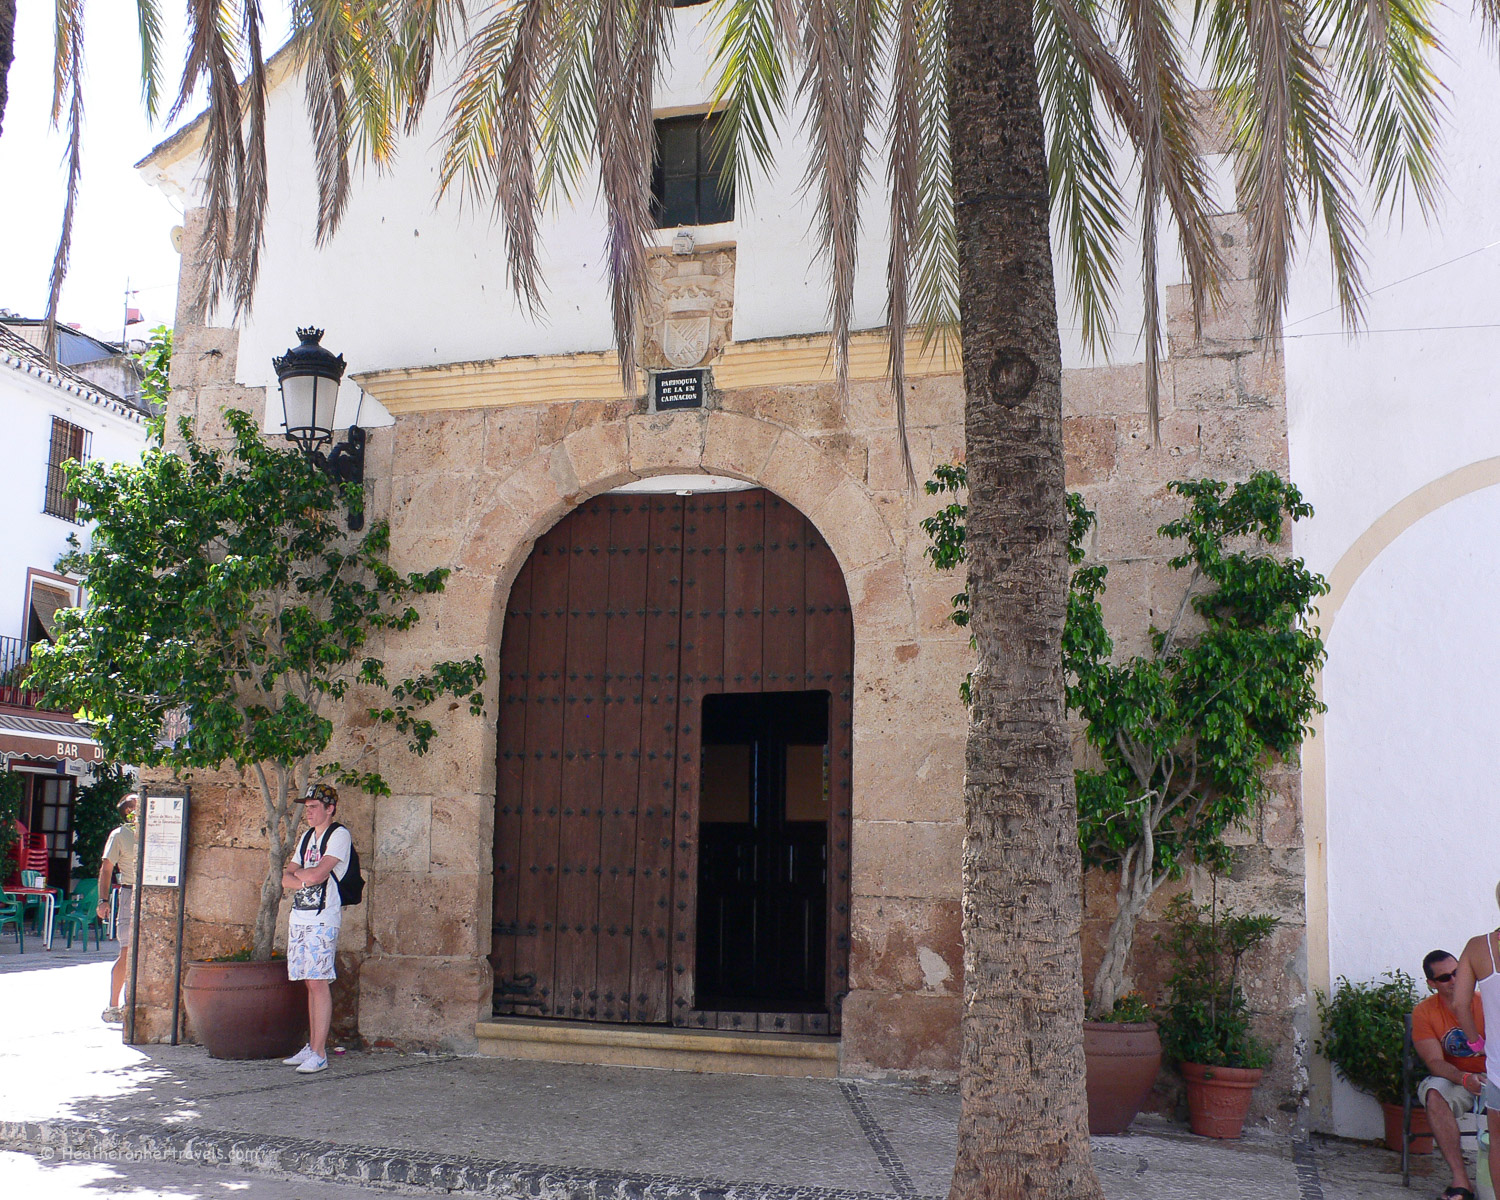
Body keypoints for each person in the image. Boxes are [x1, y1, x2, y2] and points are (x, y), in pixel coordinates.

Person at [280, 783, 351, 1075]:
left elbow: (321, 873)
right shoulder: (307, 837)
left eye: (313, 807)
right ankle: (312, 1045)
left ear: (329, 808)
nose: (307, 812)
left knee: (319, 981)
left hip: (322, 918)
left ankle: (320, 1053)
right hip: (300, 916)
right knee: (309, 980)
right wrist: (303, 878)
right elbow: (286, 875)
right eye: (306, 807)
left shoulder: (339, 835)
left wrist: (303, 877)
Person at [1413, 949, 1492, 1200]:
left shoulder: (1487, 1003)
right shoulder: (1424, 1012)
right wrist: (1464, 1079)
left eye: (1458, 972)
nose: (1455, 980)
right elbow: (1434, 1061)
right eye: (1445, 977)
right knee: (1434, 1093)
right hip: (1456, 1078)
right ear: (1432, 984)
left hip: (1494, 1075)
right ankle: (1461, 1182)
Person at [97, 793, 139, 1024]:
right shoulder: (119, 835)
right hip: (130, 893)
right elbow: (106, 868)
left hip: (153, 892)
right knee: (127, 951)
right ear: (130, 811)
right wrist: (103, 900)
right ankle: (113, 1006)